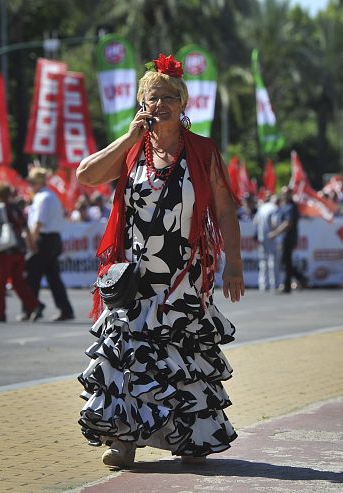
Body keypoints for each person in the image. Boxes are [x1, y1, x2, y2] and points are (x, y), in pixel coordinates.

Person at [76, 54, 244, 468]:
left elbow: (224, 210)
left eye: (170, 96)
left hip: (185, 278)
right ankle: (123, 440)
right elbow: (86, 175)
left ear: (184, 104)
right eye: (153, 97)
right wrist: (129, 137)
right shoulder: (133, 150)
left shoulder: (203, 151)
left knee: (182, 359)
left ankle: (191, 438)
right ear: (141, 103)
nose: (161, 104)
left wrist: (234, 263)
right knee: (128, 358)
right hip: (135, 279)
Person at [0, 182, 44, 322]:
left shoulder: (0, 209)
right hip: (19, 249)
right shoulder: (16, 208)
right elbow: (26, 229)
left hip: (5, 250)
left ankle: (0, 314)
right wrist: (31, 246)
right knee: (18, 282)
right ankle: (35, 305)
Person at [23, 167, 75, 322]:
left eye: (32, 182)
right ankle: (65, 309)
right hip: (52, 239)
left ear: (39, 182)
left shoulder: (43, 198)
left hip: (44, 239)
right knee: (53, 277)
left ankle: (32, 307)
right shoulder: (49, 196)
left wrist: (32, 242)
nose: (30, 185)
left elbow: (38, 224)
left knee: (32, 275)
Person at [269, 186, 307, 293]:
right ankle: (299, 279)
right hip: (283, 237)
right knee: (286, 262)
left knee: (286, 261)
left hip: (288, 237)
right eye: (283, 193)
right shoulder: (283, 205)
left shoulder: (291, 206)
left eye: (287, 193)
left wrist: (275, 233)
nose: (285, 195)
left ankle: (288, 285)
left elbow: (288, 223)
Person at [254, 194, 279, 291]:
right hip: (271, 236)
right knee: (273, 260)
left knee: (263, 261)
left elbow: (255, 221)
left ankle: (263, 284)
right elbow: (275, 222)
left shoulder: (261, 208)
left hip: (262, 236)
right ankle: (274, 284)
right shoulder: (274, 208)